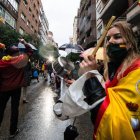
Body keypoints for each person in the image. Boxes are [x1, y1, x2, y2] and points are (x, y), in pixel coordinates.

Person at [79, 21, 140, 139]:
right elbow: (106, 93)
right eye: (108, 39)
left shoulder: (137, 72)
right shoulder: (116, 69)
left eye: (117, 37)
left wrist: (91, 77)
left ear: (130, 43)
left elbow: (115, 121)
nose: (110, 41)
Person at [0, 40, 32, 138]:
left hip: (3, 89)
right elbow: (30, 51)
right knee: (14, 110)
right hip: (16, 89)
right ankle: (12, 131)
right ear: (16, 53)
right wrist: (25, 42)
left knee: (0, 110)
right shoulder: (20, 61)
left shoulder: (2, 62)